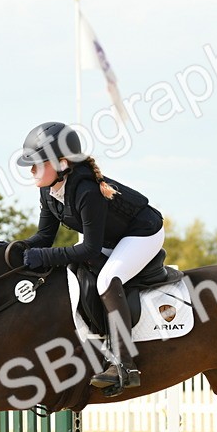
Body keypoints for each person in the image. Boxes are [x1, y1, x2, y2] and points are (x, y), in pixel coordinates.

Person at [13, 121, 164, 391]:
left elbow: (89, 250)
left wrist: (43, 257)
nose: (32, 170)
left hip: (142, 233)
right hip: (110, 238)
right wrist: (14, 249)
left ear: (61, 164)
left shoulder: (86, 191)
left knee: (107, 279)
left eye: (38, 163)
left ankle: (125, 365)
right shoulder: (48, 190)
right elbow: (44, 238)